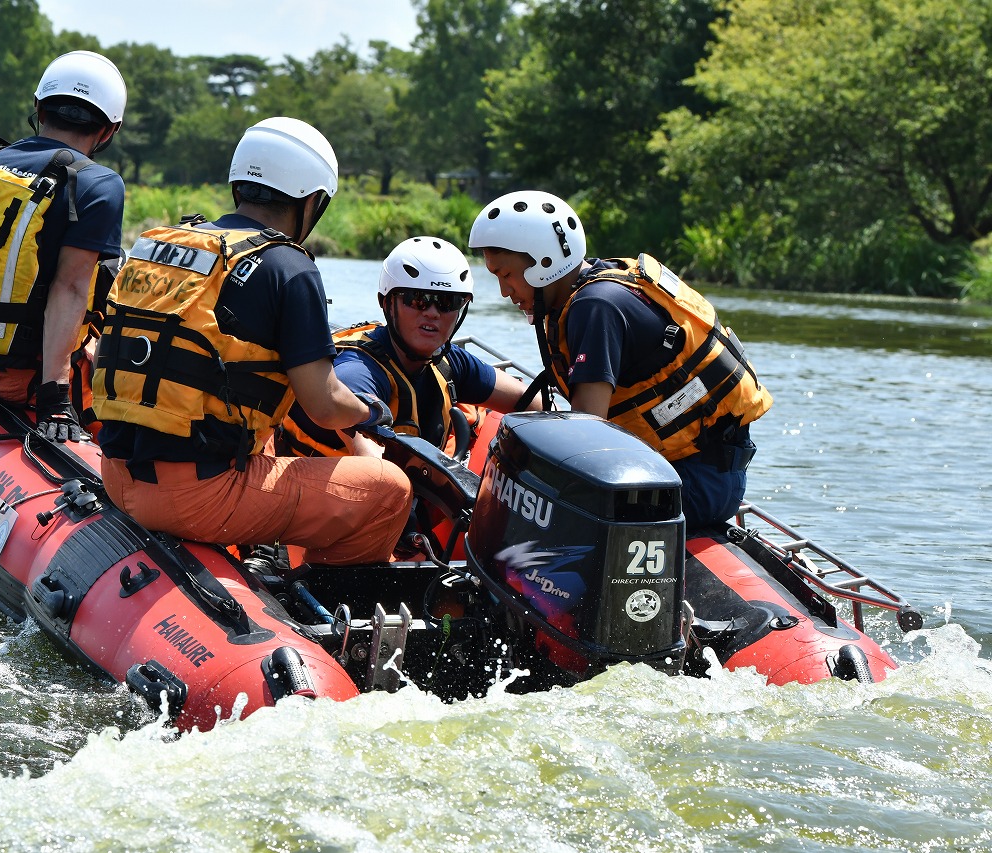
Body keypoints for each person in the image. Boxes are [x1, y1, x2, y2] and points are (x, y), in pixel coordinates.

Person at [91, 116, 412, 565]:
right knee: (390, 490)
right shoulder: (289, 266)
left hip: (116, 473)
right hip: (196, 499)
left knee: (260, 431)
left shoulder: (161, 243)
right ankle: (321, 616)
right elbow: (323, 405)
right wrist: (373, 410)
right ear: (313, 200)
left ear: (238, 185)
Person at [468, 190, 772, 529]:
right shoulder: (589, 289)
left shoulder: (594, 306)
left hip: (696, 483)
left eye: (505, 275)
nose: (503, 291)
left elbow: (587, 436)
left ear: (544, 262)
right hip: (702, 471)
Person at [0, 50, 127, 443]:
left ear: (39, 107)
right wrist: (54, 398)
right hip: (30, 379)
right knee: (115, 271)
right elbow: (71, 288)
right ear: (110, 130)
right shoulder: (98, 185)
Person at [276, 235, 539, 460]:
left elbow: (534, 403)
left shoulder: (448, 361)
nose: (433, 313)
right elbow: (373, 464)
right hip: (339, 504)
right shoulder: (358, 371)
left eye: (448, 302)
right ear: (386, 303)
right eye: (418, 300)